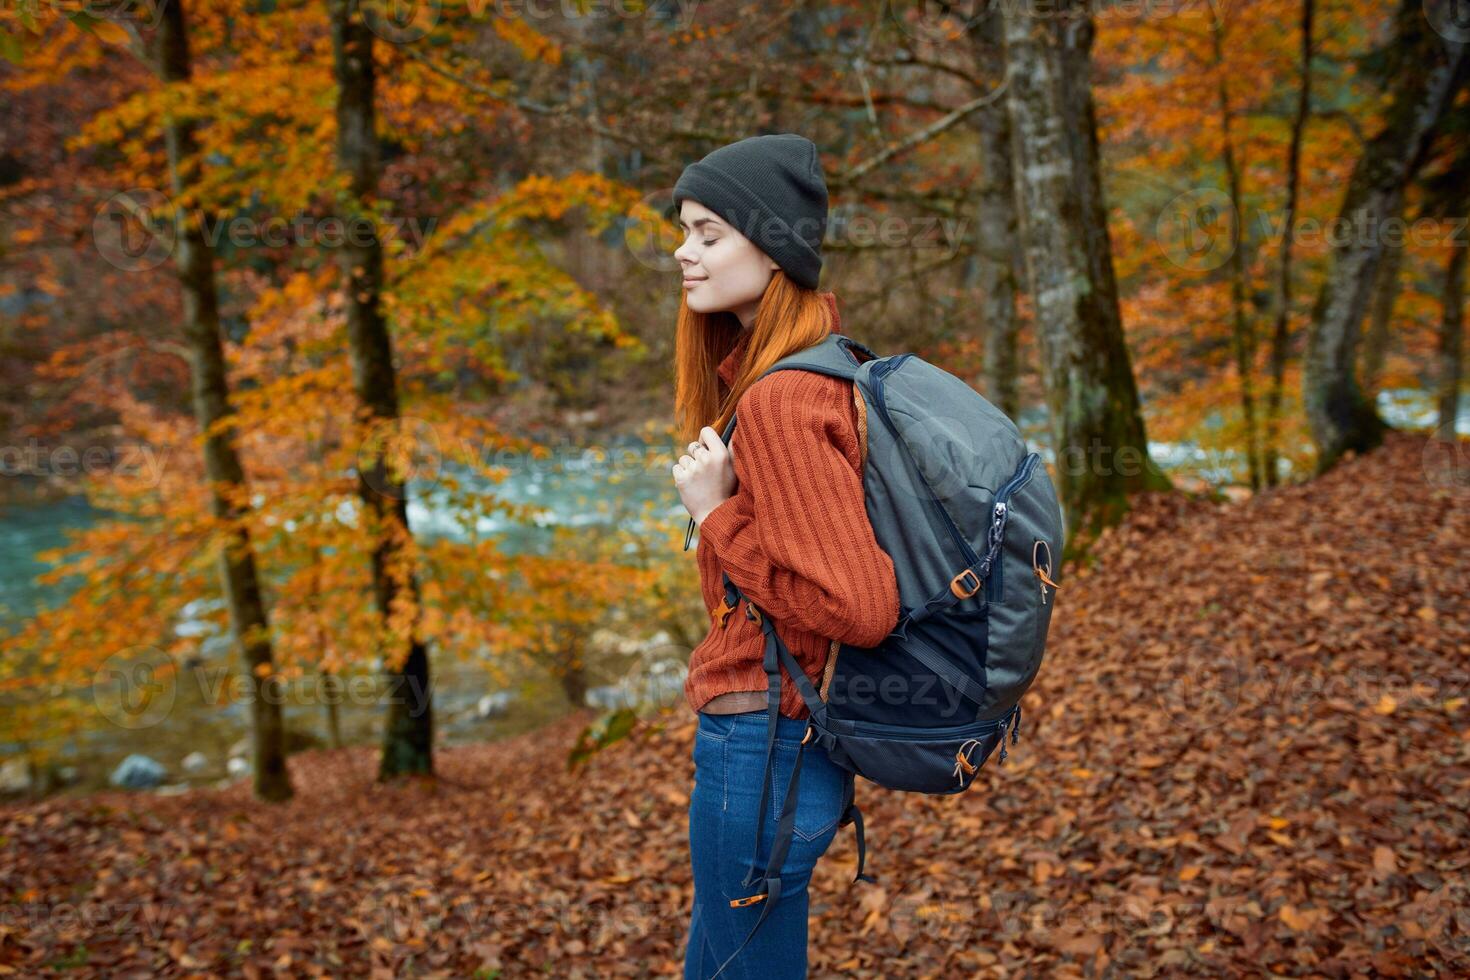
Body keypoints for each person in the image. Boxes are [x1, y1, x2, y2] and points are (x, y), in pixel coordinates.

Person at [668, 133, 901, 979]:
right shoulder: (811, 373)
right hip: (775, 746)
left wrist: (718, 516)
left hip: (762, 748)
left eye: (707, 233)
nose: (683, 252)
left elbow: (860, 608)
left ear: (771, 248)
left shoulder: (782, 400)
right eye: (685, 231)